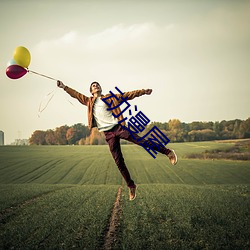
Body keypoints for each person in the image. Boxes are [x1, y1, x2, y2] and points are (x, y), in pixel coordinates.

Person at [57, 81, 177, 201]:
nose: (96, 86)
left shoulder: (110, 98)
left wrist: (143, 92)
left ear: (100, 88)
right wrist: (63, 87)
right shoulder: (88, 101)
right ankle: (131, 185)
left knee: (141, 141)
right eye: (93, 86)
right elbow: (75, 94)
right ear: (91, 91)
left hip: (119, 128)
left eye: (97, 84)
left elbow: (127, 95)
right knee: (118, 161)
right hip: (108, 134)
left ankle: (168, 152)